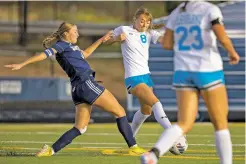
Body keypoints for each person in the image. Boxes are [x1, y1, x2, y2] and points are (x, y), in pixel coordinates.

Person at [4, 22, 146, 157]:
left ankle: (51, 150)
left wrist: (102, 39)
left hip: (78, 89)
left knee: (80, 128)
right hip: (86, 84)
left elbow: (86, 54)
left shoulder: (72, 47)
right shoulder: (61, 45)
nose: (78, 34)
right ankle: (133, 147)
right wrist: (22, 64)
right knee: (120, 112)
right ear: (66, 34)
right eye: (75, 32)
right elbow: (44, 54)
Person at [141, 1, 240, 164]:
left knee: (184, 123)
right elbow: (221, 36)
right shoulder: (210, 10)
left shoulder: (177, 13)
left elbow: (166, 44)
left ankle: (153, 154)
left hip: (183, 71)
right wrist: (232, 53)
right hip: (208, 70)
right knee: (221, 123)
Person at [105, 7, 186, 147]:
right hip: (133, 78)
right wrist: (116, 39)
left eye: (147, 22)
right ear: (134, 20)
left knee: (146, 110)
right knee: (156, 103)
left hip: (146, 76)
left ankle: (130, 140)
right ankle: (172, 134)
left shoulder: (149, 33)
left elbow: (162, 40)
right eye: (142, 21)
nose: (144, 24)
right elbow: (106, 41)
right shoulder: (124, 29)